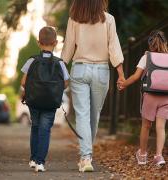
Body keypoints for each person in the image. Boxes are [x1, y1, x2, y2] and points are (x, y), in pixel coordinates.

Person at [61, 0, 124, 172]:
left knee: (82, 115)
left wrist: (59, 70)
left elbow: (68, 47)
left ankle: (86, 157)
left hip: (80, 69)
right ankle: (87, 155)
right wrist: (121, 74)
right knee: (94, 115)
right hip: (102, 71)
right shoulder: (109, 19)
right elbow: (114, 47)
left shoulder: (74, 18)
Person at [21, 26, 69, 172]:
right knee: (45, 130)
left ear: (38, 42)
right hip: (50, 103)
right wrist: (55, 90)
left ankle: (33, 159)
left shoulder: (31, 61)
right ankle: (40, 163)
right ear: (55, 43)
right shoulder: (60, 63)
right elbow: (66, 82)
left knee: (35, 127)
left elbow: (23, 82)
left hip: (34, 101)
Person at [119, 30, 168, 166]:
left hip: (150, 95)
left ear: (150, 45)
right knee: (161, 127)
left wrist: (123, 84)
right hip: (165, 97)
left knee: (146, 126)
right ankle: (159, 156)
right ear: (166, 43)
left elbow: (136, 77)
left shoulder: (147, 57)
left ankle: (142, 155)